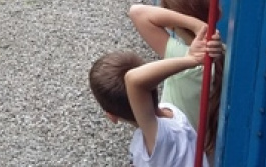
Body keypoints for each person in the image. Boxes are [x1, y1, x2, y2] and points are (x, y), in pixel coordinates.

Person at [88, 26, 223, 167]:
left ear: (111, 116)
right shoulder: (170, 112)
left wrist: (192, 60)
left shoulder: (158, 138)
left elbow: (133, 80)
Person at [128, 0, 218, 131]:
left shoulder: (183, 56)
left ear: (170, 21)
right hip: (207, 152)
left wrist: (196, 25)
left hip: (178, 146)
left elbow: (137, 12)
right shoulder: (223, 53)